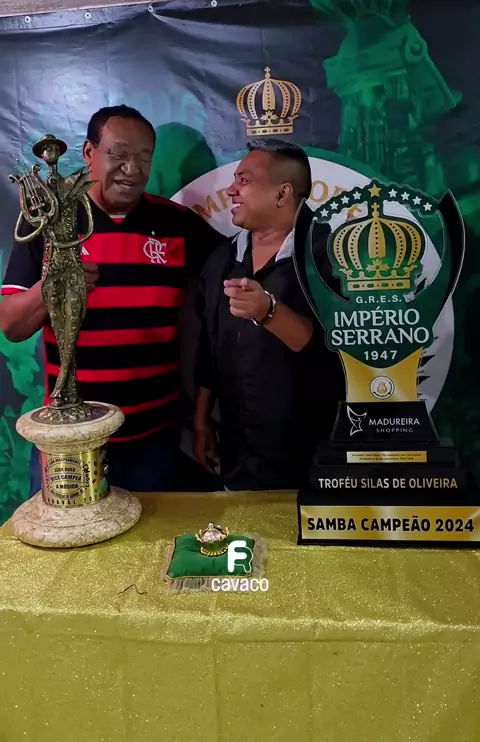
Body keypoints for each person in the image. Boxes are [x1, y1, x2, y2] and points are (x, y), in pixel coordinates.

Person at [0, 105, 222, 492]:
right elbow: (12, 325)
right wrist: (53, 287)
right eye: (119, 154)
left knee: (158, 532)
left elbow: (237, 269)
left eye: (144, 157)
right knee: (64, 533)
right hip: (71, 440)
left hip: (154, 439)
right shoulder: (49, 222)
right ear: (89, 153)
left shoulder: (178, 223)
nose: (132, 169)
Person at [193, 137, 343, 491]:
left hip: (311, 464)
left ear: (282, 193)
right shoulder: (221, 261)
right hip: (236, 459)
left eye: (244, 181)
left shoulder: (332, 257)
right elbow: (208, 350)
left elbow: (336, 354)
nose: (231, 190)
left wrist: (269, 312)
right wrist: (201, 421)